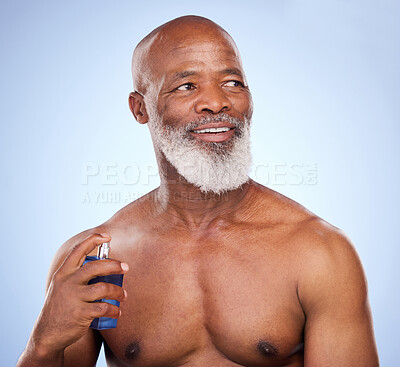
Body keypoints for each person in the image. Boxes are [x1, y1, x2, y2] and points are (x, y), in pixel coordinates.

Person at [17, 15, 379, 367]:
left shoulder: (318, 253)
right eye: (187, 86)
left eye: (233, 82)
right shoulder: (95, 259)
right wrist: (43, 345)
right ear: (139, 108)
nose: (217, 102)